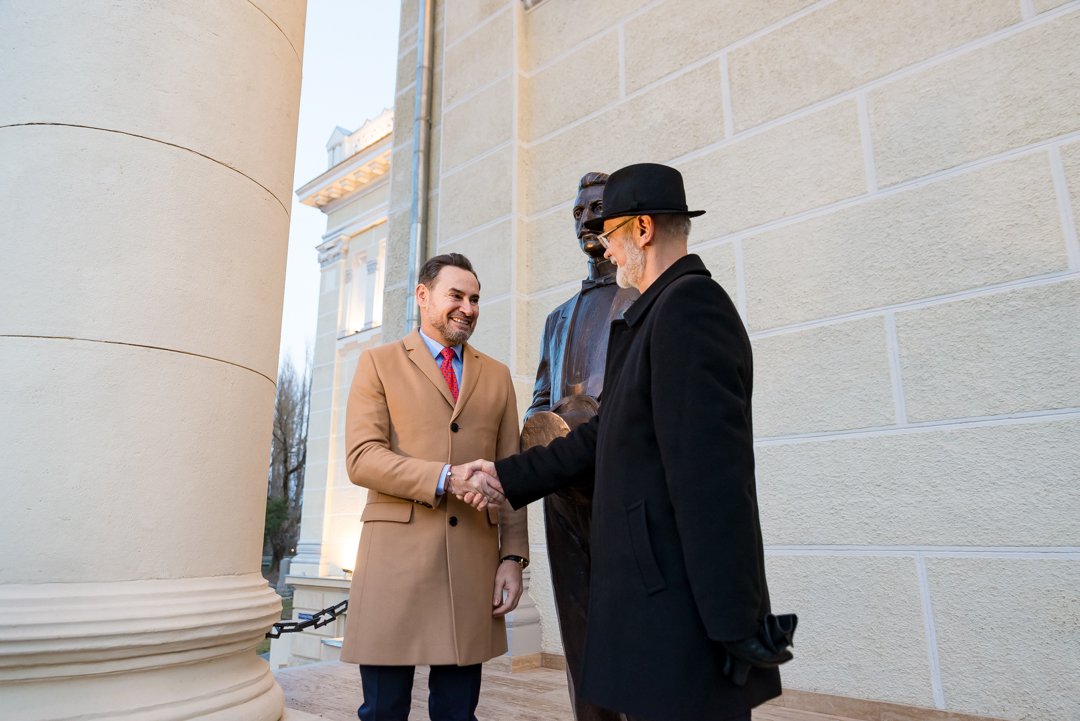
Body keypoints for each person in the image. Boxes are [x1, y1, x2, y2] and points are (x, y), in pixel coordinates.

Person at [455, 164, 788, 721]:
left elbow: (715, 486)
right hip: (654, 599)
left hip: (688, 617)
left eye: (610, 234)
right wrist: (505, 476)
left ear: (643, 229)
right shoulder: (654, 315)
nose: (605, 250)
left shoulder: (691, 309)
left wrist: (733, 628)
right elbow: (603, 436)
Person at [339, 253, 529, 721]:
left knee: (457, 714)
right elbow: (362, 458)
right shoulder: (377, 363)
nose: (468, 307)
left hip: (472, 565)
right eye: (456, 296)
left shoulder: (498, 376)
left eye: (475, 299)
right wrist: (446, 477)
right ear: (422, 297)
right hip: (394, 566)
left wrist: (513, 558)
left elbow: (512, 473)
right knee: (383, 712)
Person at [524, 171, 636, 721]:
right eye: (578, 212)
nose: (587, 219)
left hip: (626, 488)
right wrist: (544, 427)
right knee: (580, 633)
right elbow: (538, 399)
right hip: (564, 495)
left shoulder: (644, 299)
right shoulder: (558, 318)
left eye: (597, 208)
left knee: (636, 634)